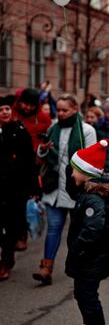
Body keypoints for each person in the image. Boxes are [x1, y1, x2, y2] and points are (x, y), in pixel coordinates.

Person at [65, 139, 109, 325]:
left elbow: (92, 232)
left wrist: (77, 251)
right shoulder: (86, 192)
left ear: (86, 174)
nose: (72, 175)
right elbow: (71, 187)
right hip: (86, 257)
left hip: (91, 258)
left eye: (74, 171)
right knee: (81, 295)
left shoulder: (95, 201)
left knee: (88, 296)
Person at [35, 94, 97, 285]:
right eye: (59, 110)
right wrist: (43, 149)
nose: (60, 113)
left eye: (64, 110)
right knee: (54, 228)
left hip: (76, 190)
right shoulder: (53, 127)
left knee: (78, 231)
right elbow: (42, 155)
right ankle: (46, 267)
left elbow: (92, 160)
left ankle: (79, 267)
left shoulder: (86, 130)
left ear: (75, 109)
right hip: (54, 187)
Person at [0, 95, 38, 280]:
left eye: (7, 108)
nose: (5, 112)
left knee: (10, 225)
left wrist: (33, 188)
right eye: (1, 110)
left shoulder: (18, 130)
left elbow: (30, 161)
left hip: (14, 188)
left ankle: (6, 261)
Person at [13, 87, 52, 153]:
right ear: (20, 102)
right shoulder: (11, 113)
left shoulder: (44, 118)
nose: (28, 108)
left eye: (32, 106)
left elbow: (49, 138)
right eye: (26, 104)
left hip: (34, 156)